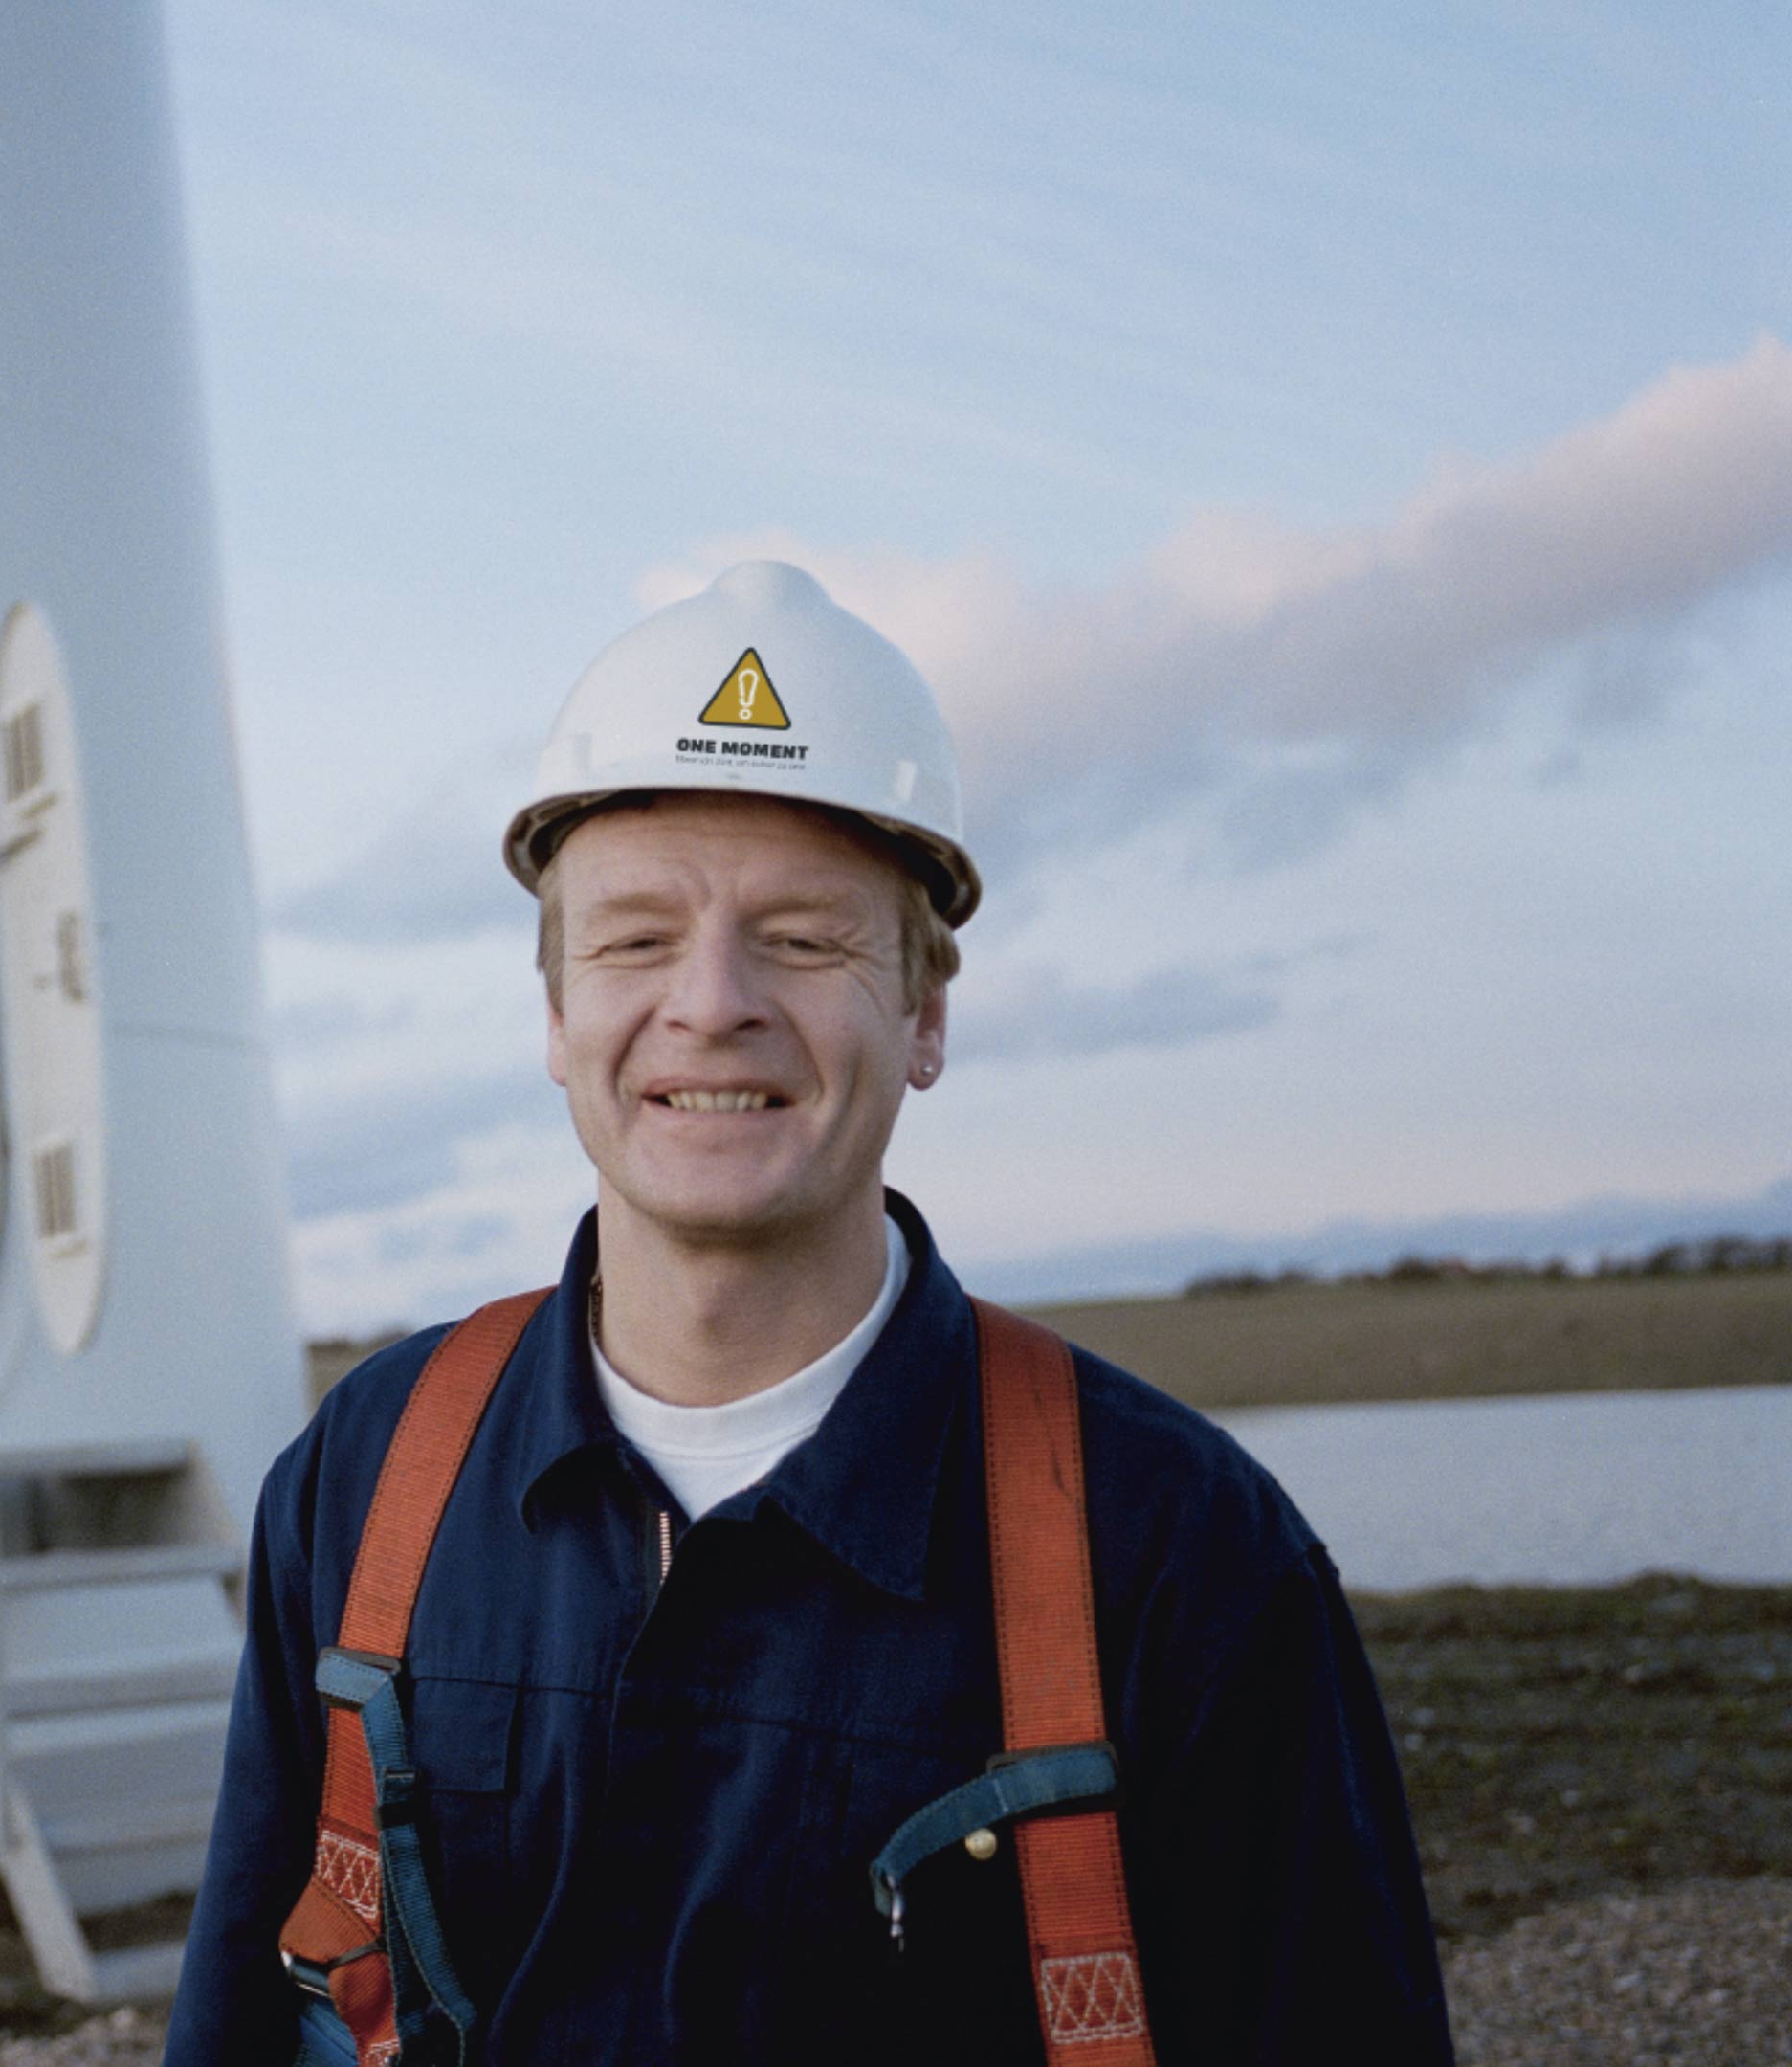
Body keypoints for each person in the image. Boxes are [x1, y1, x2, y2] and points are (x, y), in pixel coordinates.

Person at [164, 562, 1451, 2062]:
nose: (711, 1002)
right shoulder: (361, 1480)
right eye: (636, 938)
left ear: (926, 1016)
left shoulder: (1180, 1551)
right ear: (556, 1017)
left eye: (803, 936)